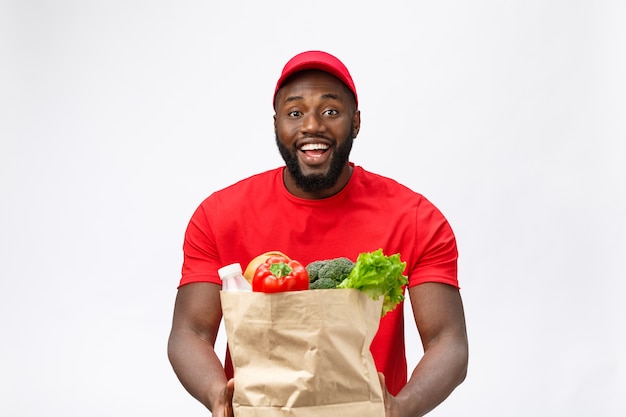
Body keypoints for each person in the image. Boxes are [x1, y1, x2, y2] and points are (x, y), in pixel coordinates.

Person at [168, 50, 468, 417]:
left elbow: (447, 340)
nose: (312, 126)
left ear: (355, 122)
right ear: (276, 122)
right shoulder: (218, 215)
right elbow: (190, 333)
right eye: (295, 113)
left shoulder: (416, 218)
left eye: (330, 111)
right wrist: (217, 395)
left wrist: (402, 408)